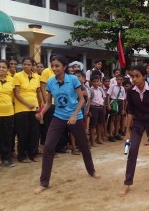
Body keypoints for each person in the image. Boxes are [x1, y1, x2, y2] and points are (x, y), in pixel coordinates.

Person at [34, 54, 100, 194]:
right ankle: (44, 182)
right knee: (48, 147)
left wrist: (75, 115)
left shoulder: (73, 79)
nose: (54, 68)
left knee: (84, 146)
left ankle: (91, 170)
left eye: (57, 66)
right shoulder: (51, 82)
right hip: (58, 117)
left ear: (64, 67)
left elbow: (82, 100)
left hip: (75, 117)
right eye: (53, 66)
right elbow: (48, 102)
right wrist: (42, 112)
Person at [119, 65, 149, 197]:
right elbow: (130, 111)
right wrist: (127, 131)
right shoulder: (131, 91)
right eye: (132, 76)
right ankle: (127, 182)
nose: (134, 79)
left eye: (137, 76)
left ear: (144, 77)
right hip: (138, 123)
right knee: (132, 150)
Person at [13, 57, 43, 163]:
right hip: (21, 109)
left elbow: (38, 92)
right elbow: (16, 93)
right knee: (23, 133)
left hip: (34, 108)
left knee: (34, 132)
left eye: (28, 64)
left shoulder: (36, 77)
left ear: (32, 66)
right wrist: (27, 104)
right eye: (24, 64)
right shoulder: (18, 76)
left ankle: (32, 154)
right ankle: (22, 156)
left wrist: (41, 104)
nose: (26, 66)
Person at [87, 75, 106, 146]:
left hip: (100, 107)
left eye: (97, 81)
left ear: (99, 82)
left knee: (100, 124)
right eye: (94, 82)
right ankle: (92, 141)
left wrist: (104, 109)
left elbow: (103, 99)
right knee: (92, 125)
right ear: (91, 82)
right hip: (93, 108)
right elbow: (88, 101)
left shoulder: (101, 89)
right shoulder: (90, 90)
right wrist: (88, 110)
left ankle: (99, 138)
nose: (96, 83)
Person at [106, 74, 126, 141]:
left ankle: (116, 134)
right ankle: (111, 135)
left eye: (121, 80)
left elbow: (123, 99)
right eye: (118, 79)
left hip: (120, 103)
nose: (119, 81)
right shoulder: (112, 86)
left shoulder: (122, 88)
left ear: (123, 80)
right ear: (116, 80)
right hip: (114, 102)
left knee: (118, 118)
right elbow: (108, 95)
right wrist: (108, 104)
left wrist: (123, 108)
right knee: (112, 118)